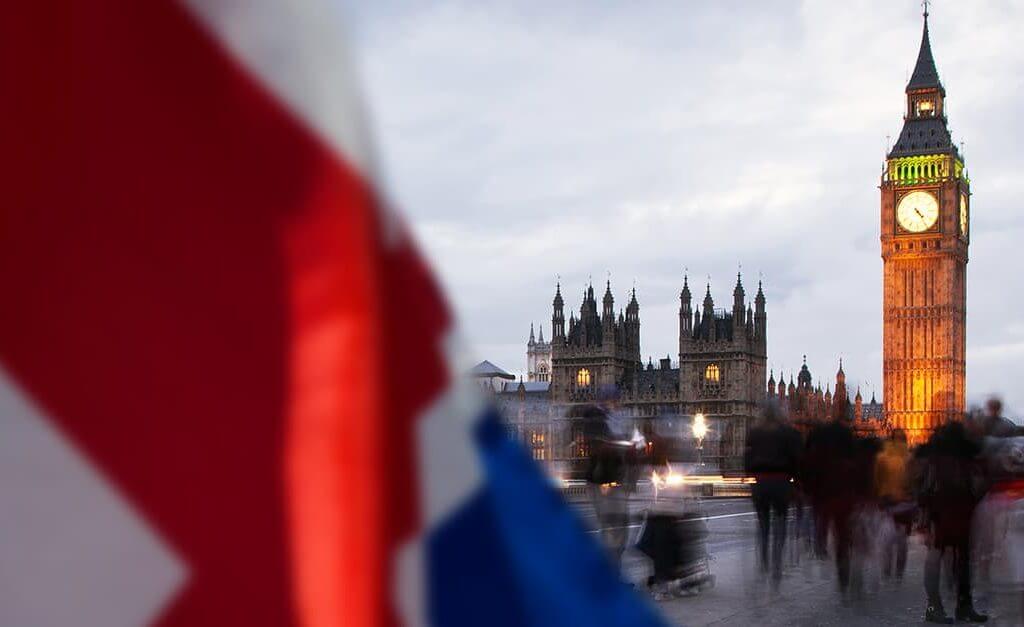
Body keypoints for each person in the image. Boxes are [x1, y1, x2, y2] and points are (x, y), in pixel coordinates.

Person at [916, 421, 988, 624]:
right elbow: (979, 486)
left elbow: (924, 489)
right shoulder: (957, 458)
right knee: (953, 561)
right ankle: (955, 607)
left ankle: (943, 606)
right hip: (948, 515)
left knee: (945, 561)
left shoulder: (938, 459)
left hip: (949, 515)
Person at [744, 400, 802, 587]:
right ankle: (776, 564)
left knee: (763, 525)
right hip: (780, 481)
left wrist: (750, 476)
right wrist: (795, 479)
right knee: (780, 522)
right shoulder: (785, 433)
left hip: (760, 482)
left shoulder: (754, 432)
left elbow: (747, 458)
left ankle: (764, 561)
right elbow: (796, 458)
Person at [803, 411, 858, 596]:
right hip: (843, 495)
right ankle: (843, 571)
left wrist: (807, 490)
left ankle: (820, 545)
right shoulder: (846, 451)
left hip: (823, 495)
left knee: (821, 519)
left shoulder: (817, 448)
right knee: (842, 532)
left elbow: (807, 466)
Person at [874, 429, 913, 581]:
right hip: (904, 502)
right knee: (902, 539)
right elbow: (914, 481)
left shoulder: (882, 457)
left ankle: (887, 570)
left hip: (887, 500)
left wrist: (878, 495)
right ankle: (899, 573)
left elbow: (876, 480)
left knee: (887, 538)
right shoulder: (909, 458)